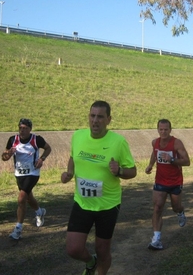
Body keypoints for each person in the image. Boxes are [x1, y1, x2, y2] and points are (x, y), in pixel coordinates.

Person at [61, 100, 137, 275]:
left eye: (100, 117)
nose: (95, 120)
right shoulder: (78, 136)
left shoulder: (118, 142)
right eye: (92, 116)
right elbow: (73, 157)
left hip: (108, 205)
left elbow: (132, 171)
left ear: (109, 119)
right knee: (73, 249)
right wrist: (69, 173)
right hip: (82, 202)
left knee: (103, 251)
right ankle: (90, 262)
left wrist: (119, 171)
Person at [1, 118, 52, 240]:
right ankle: (40, 212)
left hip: (33, 173)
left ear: (30, 129)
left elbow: (48, 148)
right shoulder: (13, 140)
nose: (22, 131)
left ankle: (18, 229)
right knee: (28, 198)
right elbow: (4, 157)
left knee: (21, 198)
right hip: (19, 174)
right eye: (20, 128)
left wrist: (42, 159)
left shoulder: (36, 139)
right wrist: (9, 154)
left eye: (25, 128)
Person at [145, 119, 190, 250]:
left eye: (166, 129)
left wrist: (171, 160)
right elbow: (154, 153)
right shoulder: (155, 142)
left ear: (170, 130)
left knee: (176, 207)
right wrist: (150, 165)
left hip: (175, 181)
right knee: (158, 207)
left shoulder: (176, 143)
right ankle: (156, 239)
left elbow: (187, 161)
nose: (163, 132)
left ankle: (180, 212)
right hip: (160, 181)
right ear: (157, 129)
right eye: (161, 129)